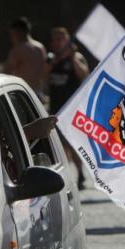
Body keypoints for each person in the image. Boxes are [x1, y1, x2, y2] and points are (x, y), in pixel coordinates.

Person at [45, 27, 90, 188]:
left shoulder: (76, 58)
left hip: (72, 109)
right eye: (54, 40)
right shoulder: (50, 59)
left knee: (72, 143)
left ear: (67, 41)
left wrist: (71, 57)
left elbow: (84, 75)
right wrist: (53, 62)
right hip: (55, 109)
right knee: (59, 145)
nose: (57, 43)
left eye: (60, 39)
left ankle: (80, 174)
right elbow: (43, 76)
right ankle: (65, 176)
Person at [5, 17, 47, 96]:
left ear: (19, 32)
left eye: (13, 34)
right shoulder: (40, 47)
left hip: (22, 94)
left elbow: (7, 74)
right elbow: (44, 71)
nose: (12, 37)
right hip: (37, 93)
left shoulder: (17, 50)